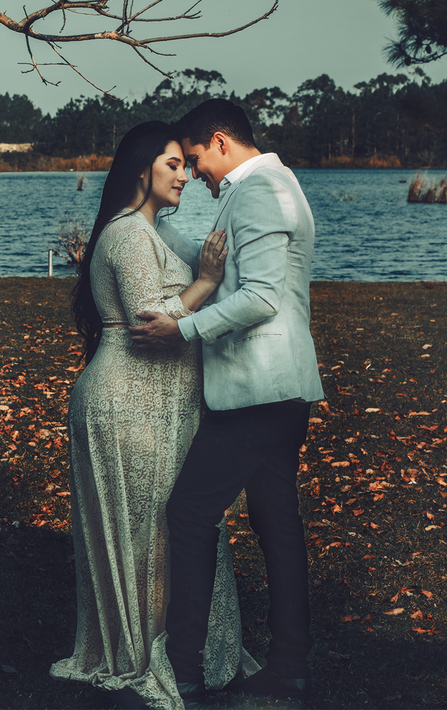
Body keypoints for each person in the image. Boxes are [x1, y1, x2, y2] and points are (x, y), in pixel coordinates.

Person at [50, 121, 256, 710]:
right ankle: (146, 654)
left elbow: (217, 266)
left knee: (170, 528)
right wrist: (207, 283)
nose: (184, 175)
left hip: (163, 401)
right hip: (128, 400)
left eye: (187, 165)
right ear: (142, 169)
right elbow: (150, 321)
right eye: (173, 165)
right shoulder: (126, 235)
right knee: (147, 532)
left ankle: (186, 649)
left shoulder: (156, 231)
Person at [131, 99, 325, 707]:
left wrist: (182, 329)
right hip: (278, 388)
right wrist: (146, 222)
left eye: (195, 160)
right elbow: (230, 272)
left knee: (189, 514)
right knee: (275, 522)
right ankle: (290, 668)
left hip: (259, 391)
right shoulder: (267, 185)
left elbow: (262, 297)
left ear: (219, 141)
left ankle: (186, 671)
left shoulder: (261, 189)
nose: (195, 174)